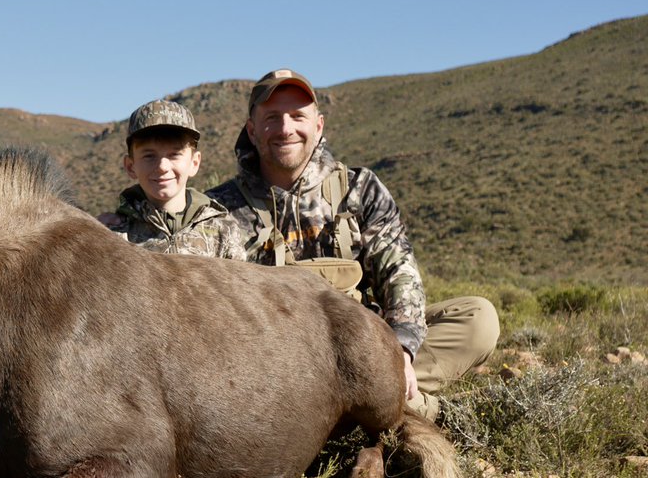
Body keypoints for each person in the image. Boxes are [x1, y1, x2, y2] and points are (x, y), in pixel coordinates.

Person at [206, 69, 499, 420]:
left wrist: (402, 351)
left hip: (365, 352)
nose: (286, 129)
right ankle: (396, 407)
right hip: (276, 371)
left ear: (319, 125)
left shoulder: (359, 188)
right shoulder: (218, 209)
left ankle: (366, 398)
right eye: (272, 118)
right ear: (252, 131)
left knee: (478, 317)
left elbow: (400, 275)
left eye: (298, 116)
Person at [100, 100, 247, 259]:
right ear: (130, 166)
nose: (163, 166)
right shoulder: (112, 234)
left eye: (174, 155)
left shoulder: (224, 232)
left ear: (194, 163)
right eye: (149, 156)